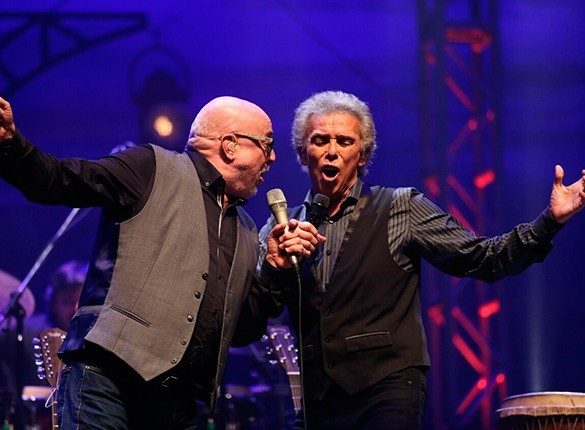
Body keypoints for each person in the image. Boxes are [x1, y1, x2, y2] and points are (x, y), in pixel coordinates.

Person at [258, 90, 585, 429]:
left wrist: (550, 221)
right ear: (303, 152)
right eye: (320, 140)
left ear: (362, 154)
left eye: (345, 141)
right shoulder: (281, 227)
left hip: (385, 391)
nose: (332, 151)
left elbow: (483, 257)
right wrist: (272, 266)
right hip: (317, 401)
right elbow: (254, 313)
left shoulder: (400, 207)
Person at [0, 95, 324, 429]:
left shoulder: (246, 230)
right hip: (108, 382)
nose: (273, 157)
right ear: (230, 146)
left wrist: (273, 270)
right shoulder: (150, 167)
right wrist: (11, 144)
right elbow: (63, 180)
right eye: (266, 144)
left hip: (181, 405)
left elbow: (241, 332)